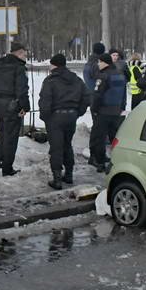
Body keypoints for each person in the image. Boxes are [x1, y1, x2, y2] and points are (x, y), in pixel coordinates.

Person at [38, 53, 87, 190]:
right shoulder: (76, 79)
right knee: (67, 145)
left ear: (54, 65)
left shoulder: (50, 80)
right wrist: (78, 112)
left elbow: (45, 101)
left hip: (55, 118)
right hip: (71, 117)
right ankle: (69, 175)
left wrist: (46, 117)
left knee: (56, 148)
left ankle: (57, 179)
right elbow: (86, 97)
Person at [0, 41, 31, 176]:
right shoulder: (19, 68)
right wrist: (25, 107)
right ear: (19, 53)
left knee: (2, 131)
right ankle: (7, 168)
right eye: (25, 55)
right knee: (11, 136)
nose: (25, 58)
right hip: (12, 104)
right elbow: (22, 89)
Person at [88, 53, 126, 172]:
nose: (98, 64)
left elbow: (97, 95)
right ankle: (116, 161)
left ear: (105, 63)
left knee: (99, 137)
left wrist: (94, 109)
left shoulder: (103, 76)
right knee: (114, 137)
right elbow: (123, 93)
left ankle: (99, 161)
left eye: (99, 62)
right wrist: (121, 107)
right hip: (116, 111)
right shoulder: (120, 75)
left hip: (103, 111)